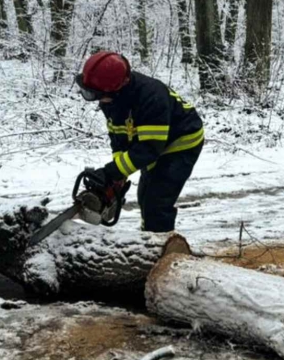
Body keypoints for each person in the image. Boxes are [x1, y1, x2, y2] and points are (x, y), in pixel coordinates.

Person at [74, 50, 204, 233]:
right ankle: (149, 241)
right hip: (153, 143)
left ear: (116, 88)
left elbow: (149, 149)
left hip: (181, 141)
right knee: (144, 194)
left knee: (156, 201)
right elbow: (119, 137)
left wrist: (111, 172)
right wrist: (117, 176)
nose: (95, 100)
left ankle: (160, 249)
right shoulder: (111, 100)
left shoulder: (151, 98)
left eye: (95, 94)